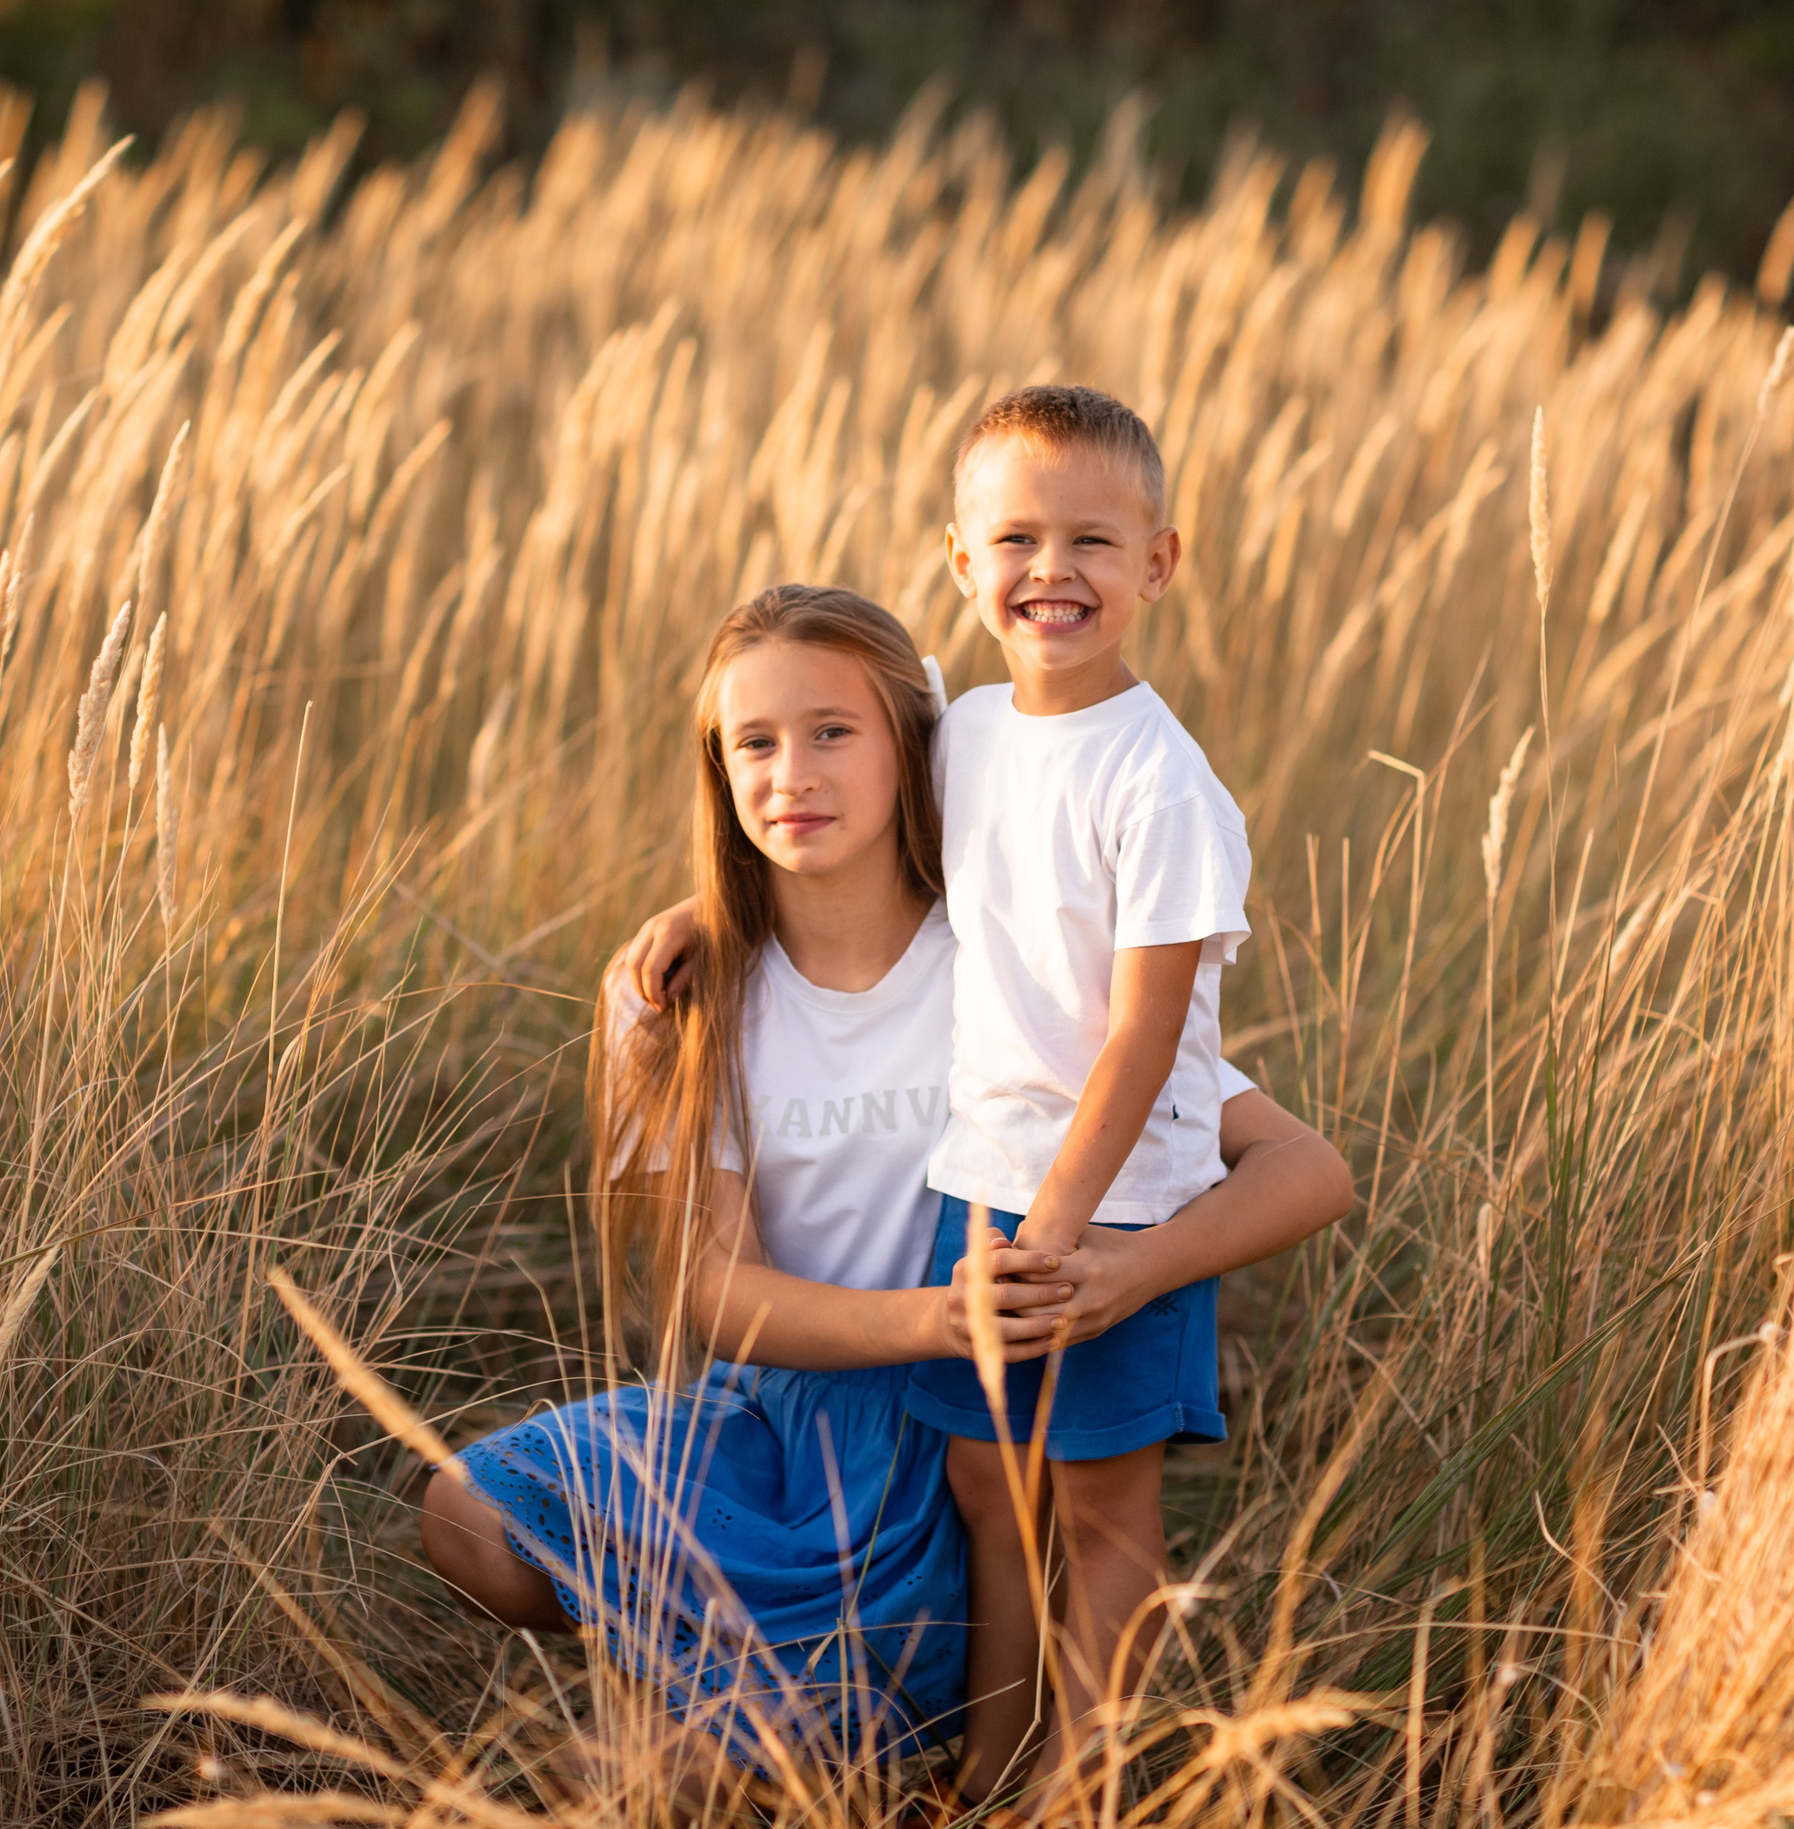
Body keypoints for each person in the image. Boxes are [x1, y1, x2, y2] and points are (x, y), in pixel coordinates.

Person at [422, 584, 1352, 1800]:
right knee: (464, 1519)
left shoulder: (1011, 962)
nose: (790, 773)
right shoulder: (670, 1000)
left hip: (951, 1456)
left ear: (915, 749)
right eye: (753, 741)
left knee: (633, 1783)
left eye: (832, 732)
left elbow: (1307, 1167)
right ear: (718, 767)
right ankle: (733, 1650)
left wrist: (1132, 1268)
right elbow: (711, 1293)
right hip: (769, 1420)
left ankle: (883, 1696)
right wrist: (931, 1318)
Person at [909, 382, 1258, 1809]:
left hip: (1113, 1208)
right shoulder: (967, 728)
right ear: (962, 562)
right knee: (991, 1490)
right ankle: (988, 1764)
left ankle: (1082, 1781)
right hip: (976, 1179)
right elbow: (862, 862)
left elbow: (1139, 1035)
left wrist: (1064, 1230)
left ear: (1159, 562)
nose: (1053, 570)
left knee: (1105, 1507)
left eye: (1095, 543)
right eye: (1018, 538)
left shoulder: (1164, 786)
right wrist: (702, 911)